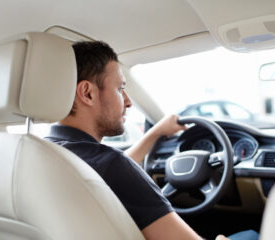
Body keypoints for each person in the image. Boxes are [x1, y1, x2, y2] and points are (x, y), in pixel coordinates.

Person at [45, 41, 258, 240]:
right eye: (120, 89)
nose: (128, 102)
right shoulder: (110, 165)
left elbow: (108, 173)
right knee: (251, 234)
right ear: (87, 93)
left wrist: (154, 133)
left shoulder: (46, 154)